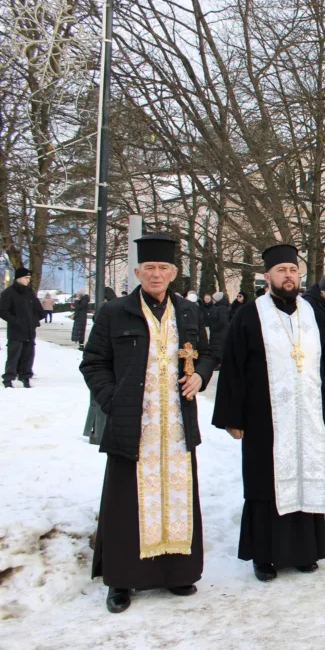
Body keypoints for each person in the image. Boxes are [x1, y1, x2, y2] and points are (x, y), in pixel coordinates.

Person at [79, 234, 215, 613]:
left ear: (173, 273)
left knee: (177, 496)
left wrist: (200, 376)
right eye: (149, 268)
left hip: (175, 425)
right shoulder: (114, 312)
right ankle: (122, 580)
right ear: (137, 272)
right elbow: (93, 362)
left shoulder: (188, 312)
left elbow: (206, 353)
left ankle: (177, 573)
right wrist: (112, 398)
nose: (156, 274)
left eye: (163, 268)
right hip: (131, 425)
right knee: (126, 503)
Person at [212, 244, 325, 582]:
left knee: (306, 478)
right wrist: (233, 417)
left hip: (308, 415)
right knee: (265, 486)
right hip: (263, 419)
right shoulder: (249, 315)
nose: (288, 276)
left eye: (292, 270)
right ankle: (264, 556)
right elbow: (233, 369)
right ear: (267, 276)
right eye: (281, 270)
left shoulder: (313, 313)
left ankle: (305, 551)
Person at [0, 267, 44, 388]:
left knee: (28, 356)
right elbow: (3, 311)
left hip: (29, 331)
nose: (28, 280)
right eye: (26, 278)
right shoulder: (8, 293)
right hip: (16, 331)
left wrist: (35, 321)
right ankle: (8, 379)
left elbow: (39, 310)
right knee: (13, 356)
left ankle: (25, 377)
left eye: (29, 278)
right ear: (19, 278)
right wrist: (16, 321)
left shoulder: (29, 292)